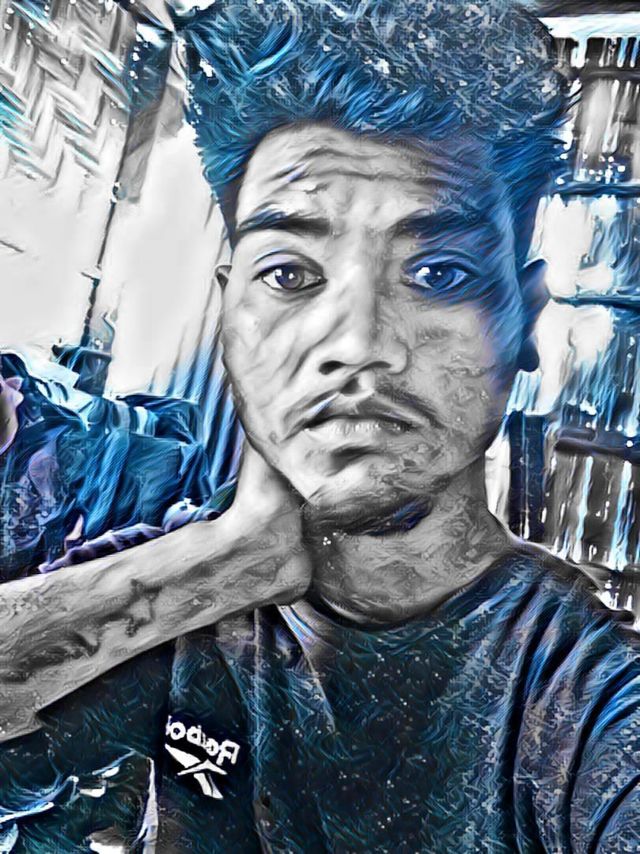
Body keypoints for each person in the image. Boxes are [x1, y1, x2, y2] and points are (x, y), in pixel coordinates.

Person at [1, 1, 639, 851]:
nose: (358, 344)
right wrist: (228, 562)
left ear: (523, 318)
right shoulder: (187, 591)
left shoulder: (584, 690)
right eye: (290, 273)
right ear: (229, 315)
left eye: (439, 273)